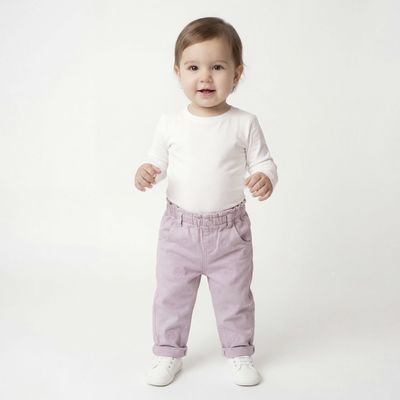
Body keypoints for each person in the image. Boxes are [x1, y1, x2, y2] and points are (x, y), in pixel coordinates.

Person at [134, 17, 278, 386]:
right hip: (178, 232)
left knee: (235, 298)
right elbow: (157, 161)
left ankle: (239, 353)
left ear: (237, 73)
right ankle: (168, 354)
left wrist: (265, 177)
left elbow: (264, 162)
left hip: (229, 233)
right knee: (170, 297)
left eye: (217, 67)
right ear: (178, 72)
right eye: (193, 68)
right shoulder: (170, 123)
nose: (205, 78)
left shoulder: (244, 123)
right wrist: (148, 171)